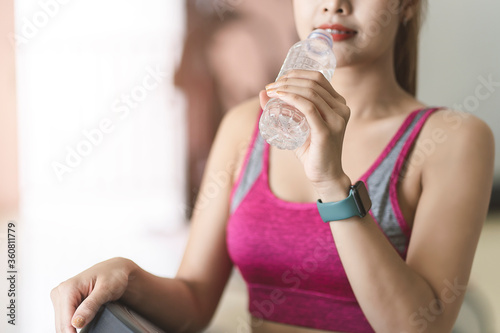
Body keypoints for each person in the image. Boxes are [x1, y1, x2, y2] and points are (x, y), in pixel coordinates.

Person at [50, 0, 495, 332]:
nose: (333, 4)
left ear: (408, 6)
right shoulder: (245, 125)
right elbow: (194, 303)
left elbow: (419, 327)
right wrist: (126, 275)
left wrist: (331, 182)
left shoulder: (453, 140)